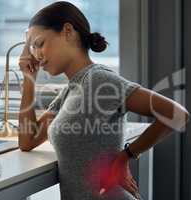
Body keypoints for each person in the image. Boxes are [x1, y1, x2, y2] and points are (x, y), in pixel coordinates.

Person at [18, 1, 189, 200]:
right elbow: (27, 140)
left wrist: (126, 156)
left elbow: (177, 115)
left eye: (39, 44)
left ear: (67, 31)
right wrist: (29, 78)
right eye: (31, 49)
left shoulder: (100, 80)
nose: (35, 55)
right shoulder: (70, 91)